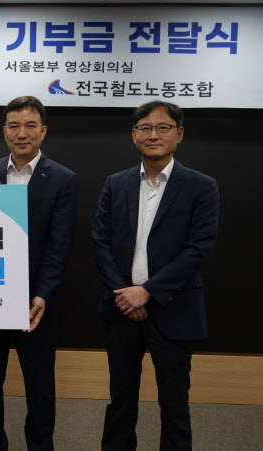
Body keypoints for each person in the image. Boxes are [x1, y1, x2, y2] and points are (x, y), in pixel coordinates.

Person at [92, 101, 219, 451]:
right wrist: (125, 293)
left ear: (179, 134)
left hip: (174, 310)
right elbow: (100, 241)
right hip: (121, 309)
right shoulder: (116, 183)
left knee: (174, 404)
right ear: (134, 135)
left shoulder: (201, 186)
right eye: (145, 128)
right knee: (120, 400)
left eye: (163, 128)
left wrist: (146, 292)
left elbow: (198, 248)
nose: (153, 135)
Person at [0, 96, 78, 451]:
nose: (22, 133)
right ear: (4, 131)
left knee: (39, 384)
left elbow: (59, 245)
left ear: (43, 131)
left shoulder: (63, 178)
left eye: (30, 126)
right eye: (14, 126)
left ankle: (40, 445)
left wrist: (42, 293)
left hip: (36, 301)